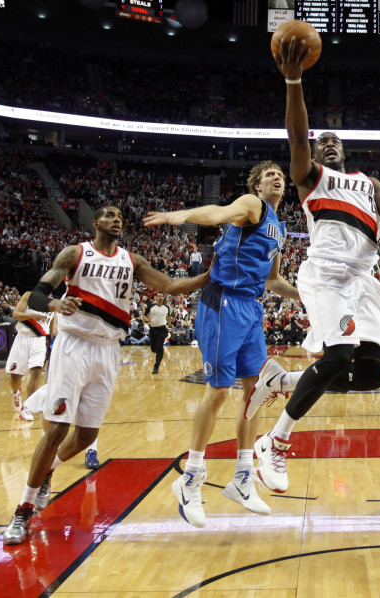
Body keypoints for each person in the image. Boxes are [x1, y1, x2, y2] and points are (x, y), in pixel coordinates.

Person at [247, 38, 380, 495]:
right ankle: (275, 442)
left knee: (367, 375)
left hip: (364, 281)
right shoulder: (311, 178)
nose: (326, 145)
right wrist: (293, 81)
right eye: (320, 141)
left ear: (344, 149)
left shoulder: (369, 182)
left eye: (333, 141)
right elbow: (296, 134)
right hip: (326, 273)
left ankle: (281, 379)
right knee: (338, 355)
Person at [2, 205, 211, 545]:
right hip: (74, 344)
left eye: (120, 216)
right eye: (110, 215)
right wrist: (57, 305)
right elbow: (39, 292)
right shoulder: (75, 253)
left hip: (109, 350)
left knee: (86, 436)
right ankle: (23, 509)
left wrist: (206, 277)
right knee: (57, 427)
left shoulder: (134, 261)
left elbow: (171, 286)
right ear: (96, 222)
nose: (117, 219)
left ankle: (48, 471)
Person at [144, 161, 299, 528]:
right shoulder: (251, 205)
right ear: (257, 186)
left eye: (280, 174)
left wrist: (308, 295)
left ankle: (244, 476)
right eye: (269, 175)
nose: (277, 177)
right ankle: (191, 477)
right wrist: (179, 215)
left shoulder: (280, 227)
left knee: (256, 392)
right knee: (217, 393)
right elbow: (217, 213)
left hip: (250, 307)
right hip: (223, 302)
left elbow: (274, 281)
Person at [5, 291, 55, 416]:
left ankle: (28, 407)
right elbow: (16, 315)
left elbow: (53, 328)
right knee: (15, 375)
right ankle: (16, 393)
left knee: (36, 370)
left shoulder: (54, 304)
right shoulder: (28, 295)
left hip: (40, 340)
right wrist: (31, 315)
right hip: (23, 337)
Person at [143, 291, 171, 374]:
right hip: (153, 329)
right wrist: (147, 319)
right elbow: (144, 315)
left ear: (163, 298)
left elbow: (168, 316)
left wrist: (170, 324)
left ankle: (156, 367)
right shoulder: (151, 306)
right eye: (158, 296)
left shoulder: (166, 307)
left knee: (160, 348)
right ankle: (155, 350)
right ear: (156, 298)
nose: (160, 297)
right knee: (153, 349)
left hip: (162, 329)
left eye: (161, 296)